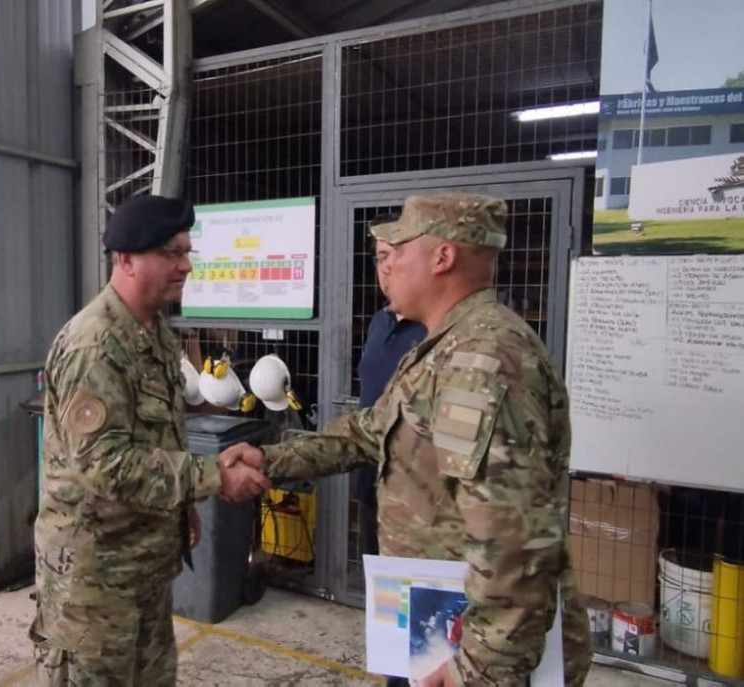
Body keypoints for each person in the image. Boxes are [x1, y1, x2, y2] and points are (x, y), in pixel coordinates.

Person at [224, 193, 592, 686]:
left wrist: (475, 669)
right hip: (432, 613)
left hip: (466, 643)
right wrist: (270, 458)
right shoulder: (441, 348)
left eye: (398, 250)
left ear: (443, 257)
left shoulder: (482, 360)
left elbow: (513, 540)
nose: (387, 264)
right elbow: (366, 432)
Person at [29, 194, 271, 686]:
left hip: (143, 565)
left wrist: (183, 506)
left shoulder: (156, 332)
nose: (185, 265)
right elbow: (104, 464)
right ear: (125, 259)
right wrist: (210, 477)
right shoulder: (95, 344)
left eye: (186, 251)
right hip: (95, 579)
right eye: (170, 252)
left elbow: (159, 432)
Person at [356, 212, 427, 556]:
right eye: (379, 257)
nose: (384, 268)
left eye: (392, 256)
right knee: (380, 599)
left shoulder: (439, 331)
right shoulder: (379, 322)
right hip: (374, 480)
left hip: (420, 501)